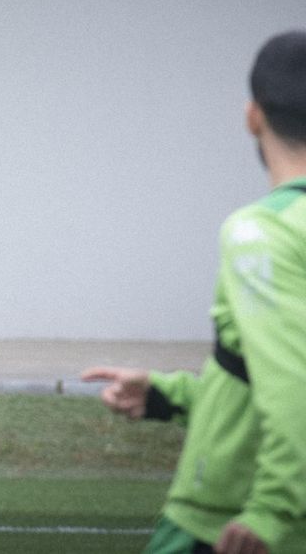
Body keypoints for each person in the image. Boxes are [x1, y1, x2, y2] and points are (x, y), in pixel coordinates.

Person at [83, 31, 306, 554]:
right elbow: (269, 371)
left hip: (230, 523)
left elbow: (294, 381)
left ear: (253, 116)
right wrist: (170, 394)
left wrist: (272, 509)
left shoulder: (262, 233)